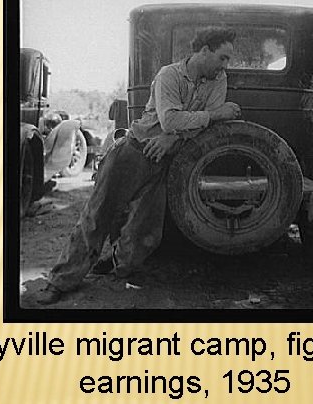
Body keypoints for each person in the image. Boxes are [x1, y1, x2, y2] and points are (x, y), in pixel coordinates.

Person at [38, 27, 241, 304]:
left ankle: (117, 266)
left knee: (145, 231)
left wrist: (173, 138)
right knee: (97, 217)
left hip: (167, 158)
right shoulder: (169, 75)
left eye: (228, 60)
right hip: (134, 152)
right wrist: (209, 116)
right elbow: (173, 120)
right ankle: (61, 281)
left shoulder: (218, 79)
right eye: (222, 57)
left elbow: (199, 127)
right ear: (204, 50)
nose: (225, 66)